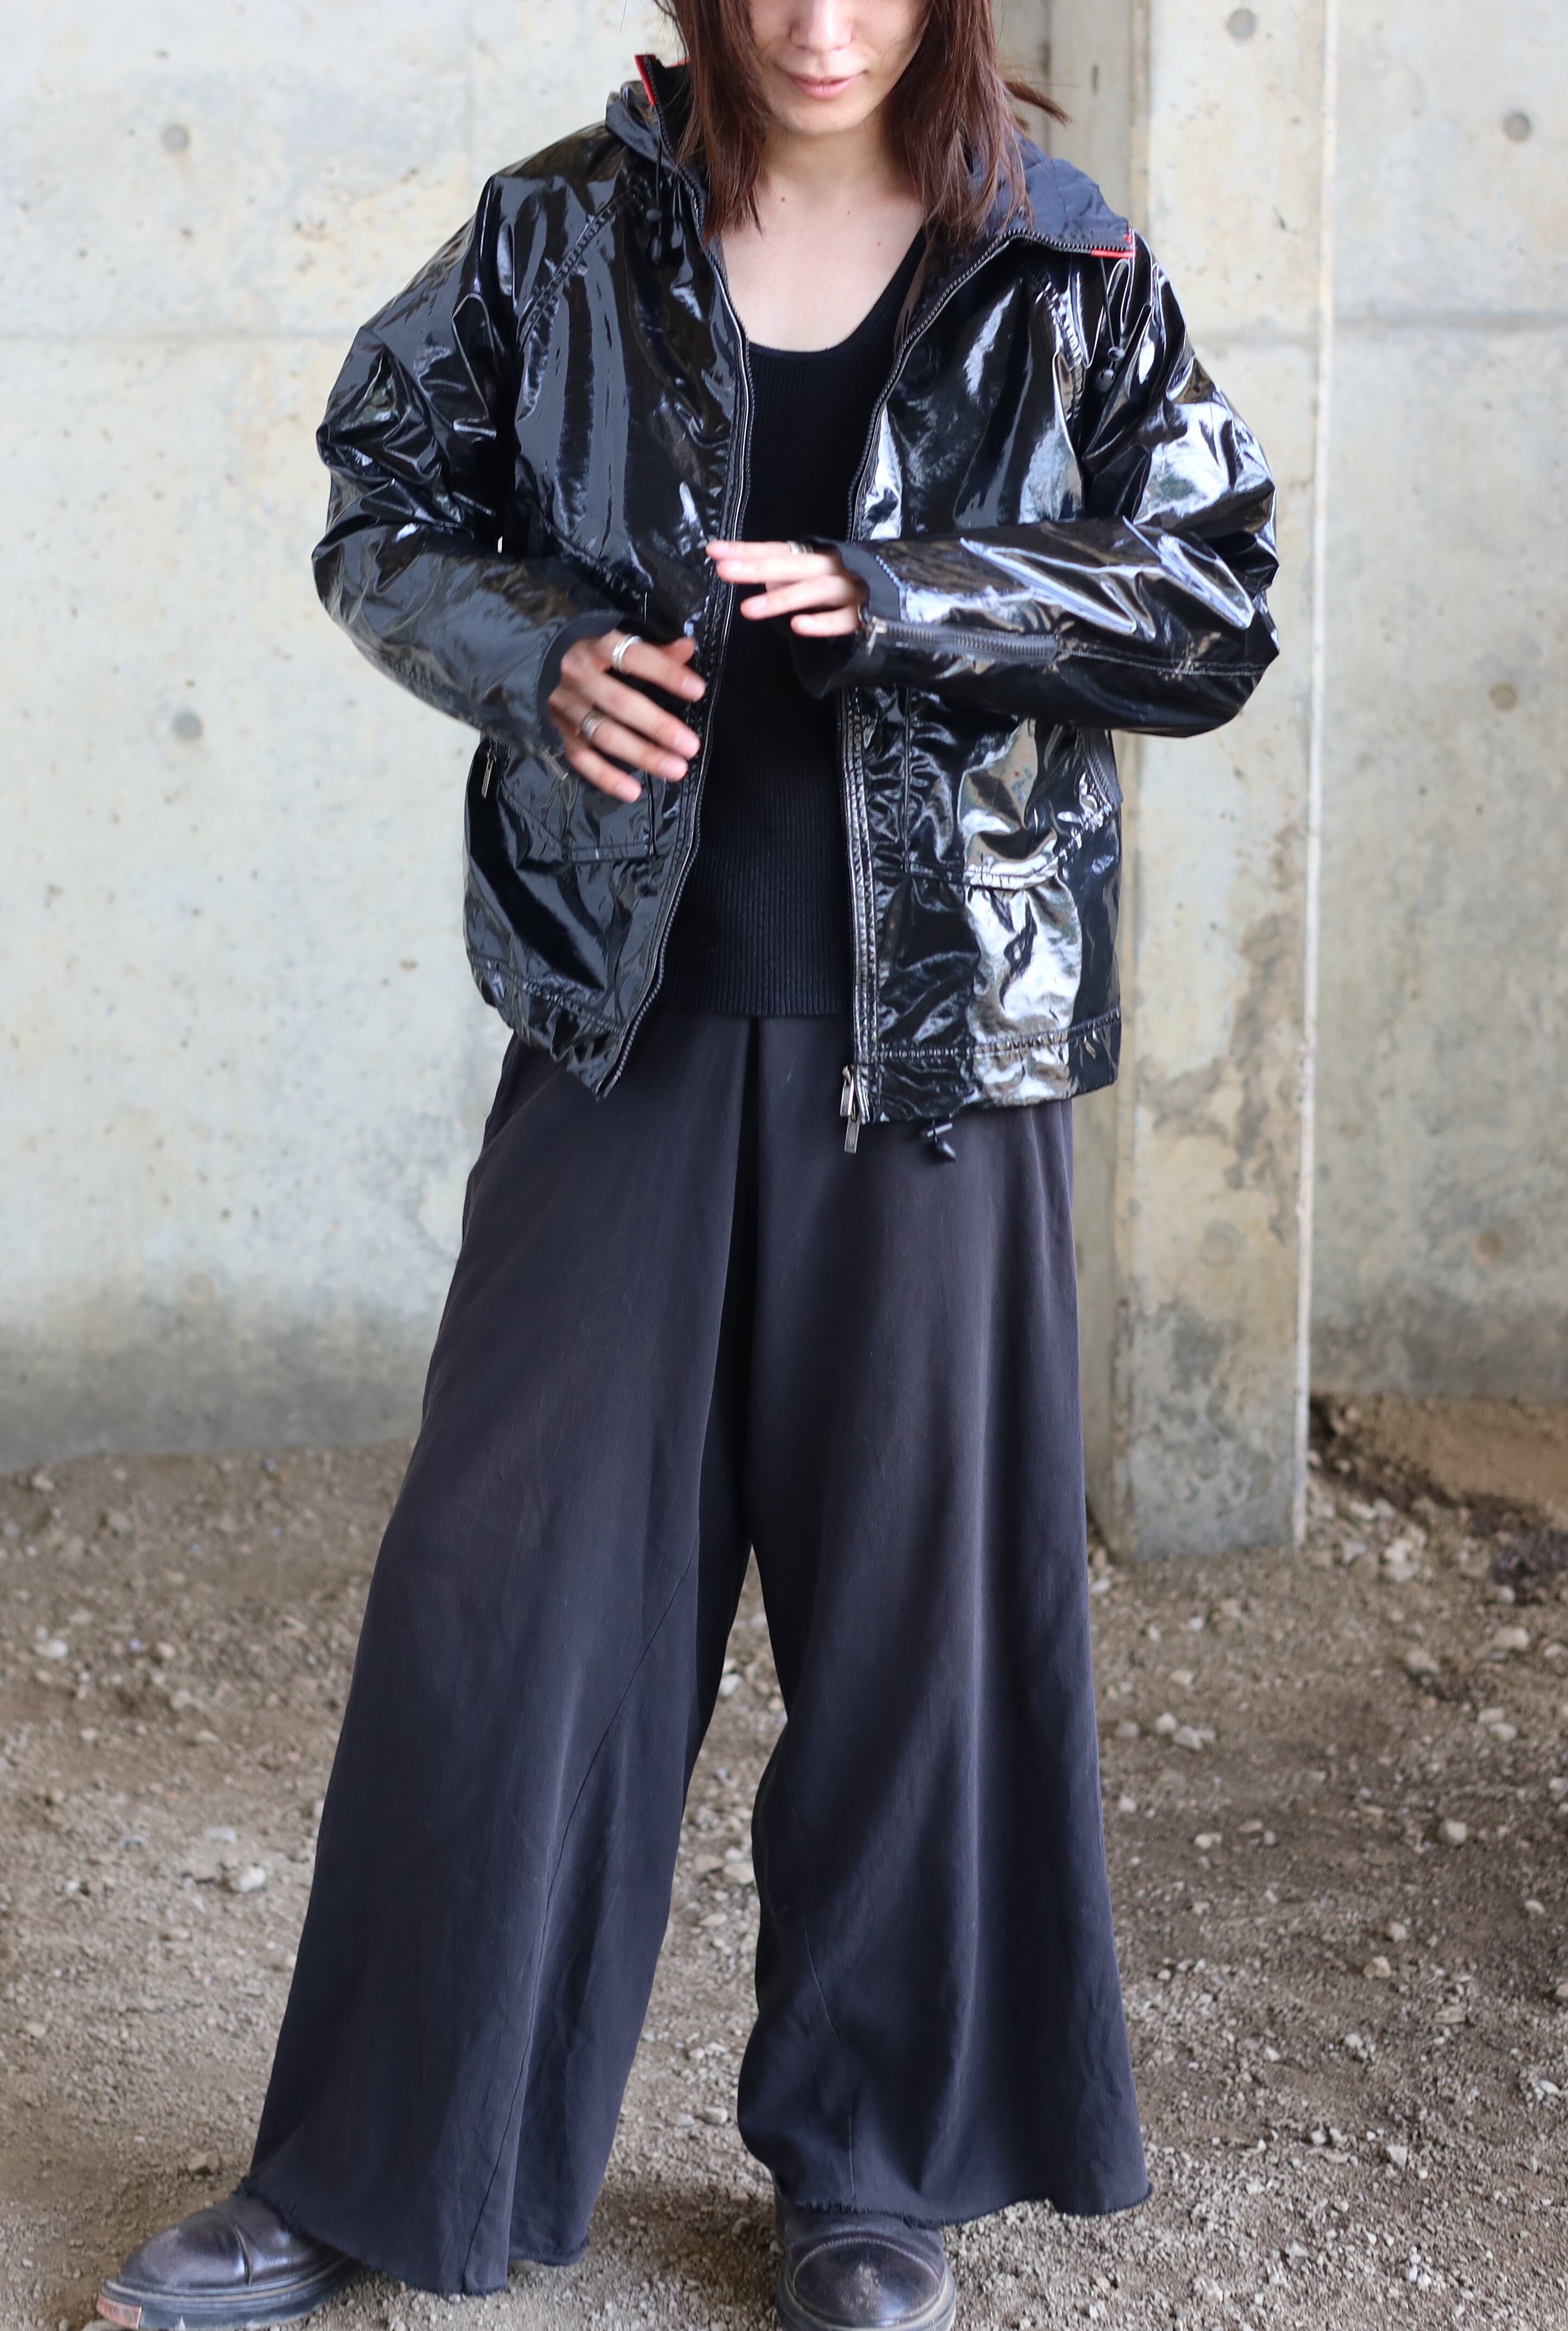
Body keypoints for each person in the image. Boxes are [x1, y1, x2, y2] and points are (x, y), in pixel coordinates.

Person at [97, 3, 1278, 2326]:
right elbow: (383, 499)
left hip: (942, 1057)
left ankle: (872, 2171)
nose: (821, 25)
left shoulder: (1064, 265)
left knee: (919, 1628)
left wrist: (921, 596)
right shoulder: (558, 231)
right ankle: (377, 2162)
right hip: (618, 1020)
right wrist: (533, 650)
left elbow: (1211, 594)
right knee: (500, 1605)